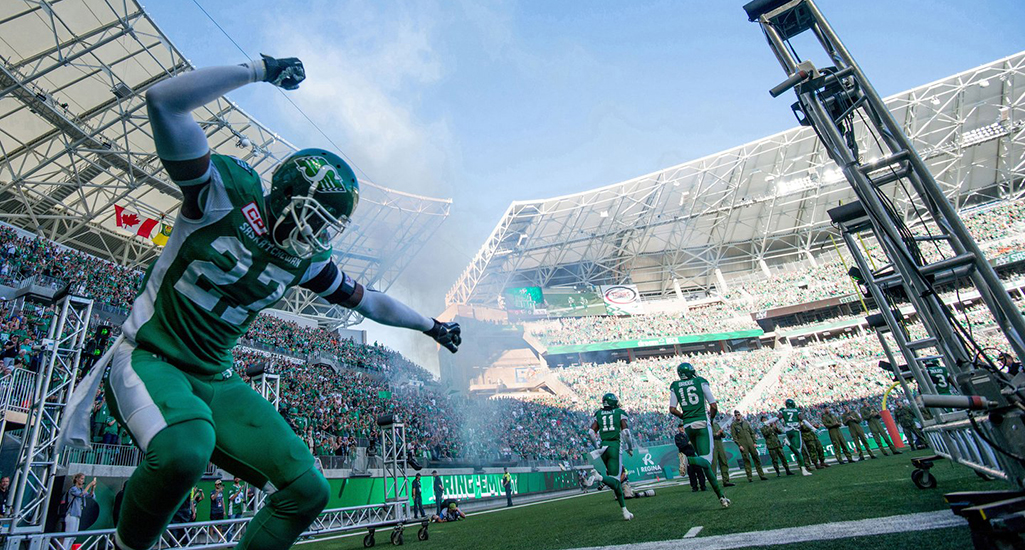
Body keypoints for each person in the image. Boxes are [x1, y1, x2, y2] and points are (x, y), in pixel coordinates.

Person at [75, 55, 463, 550]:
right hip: (152, 356)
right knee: (184, 450)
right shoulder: (222, 196)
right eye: (315, 217)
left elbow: (370, 303)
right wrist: (260, 69)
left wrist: (431, 326)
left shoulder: (306, 260)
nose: (319, 233)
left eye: (327, 226)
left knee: (307, 490)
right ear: (287, 197)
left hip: (217, 376)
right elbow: (163, 103)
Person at [668, 363, 730, 508]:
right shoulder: (700, 381)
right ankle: (687, 460)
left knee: (704, 463)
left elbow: (672, 409)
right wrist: (712, 419)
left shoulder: (675, 385)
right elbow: (713, 405)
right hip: (702, 422)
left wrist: (683, 416)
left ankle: (721, 497)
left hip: (689, 425)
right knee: (707, 461)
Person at [589, 392, 635, 520]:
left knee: (615, 482)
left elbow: (591, 432)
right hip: (615, 447)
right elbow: (625, 432)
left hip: (603, 448)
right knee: (615, 480)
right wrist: (630, 447)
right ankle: (599, 477)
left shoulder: (598, 413)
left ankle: (625, 511)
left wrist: (597, 446)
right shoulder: (619, 412)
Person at [775, 399, 814, 476]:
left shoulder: (784, 412)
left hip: (789, 430)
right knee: (799, 451)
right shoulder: (796, 411)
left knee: (797, 451)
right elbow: (801, 420)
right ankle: (803, 467)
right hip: (795, 431)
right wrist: (813, 428)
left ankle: (803, 467)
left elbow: (779, 419)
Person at [729, 410, 767, 482]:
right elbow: (734, 436)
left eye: (738, 414)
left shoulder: (746, 423)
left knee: (756, 458)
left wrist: (754, 442)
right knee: (746, 460)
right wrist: (739, 445)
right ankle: (749, 477)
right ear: (734, 416)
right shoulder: (733, 425)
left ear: (740, 415)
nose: (737, 416)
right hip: (743, 444)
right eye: (736, 415)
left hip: (750, 443)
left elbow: (752, 433)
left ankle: (762, 475)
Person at [63, 474, 96, 547]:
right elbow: (81, 494)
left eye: (83, 479)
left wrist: (93, 488)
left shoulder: (81, 490)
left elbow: (89, 496)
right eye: (81, 479)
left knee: (73, 537)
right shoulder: (73, 489)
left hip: (77, 514)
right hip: (71, 514)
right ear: (77, 479)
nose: (82, 480)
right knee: (68, 536)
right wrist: (90, 485)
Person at [674, 423, 706, 491]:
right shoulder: (677, 436)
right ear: (678, 429)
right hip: (686, 456)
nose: (682, 428)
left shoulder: (689, 435)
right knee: (691, 472)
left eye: (682, 427)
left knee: (699, 471)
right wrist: (687, 444)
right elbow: (680, 445)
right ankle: (694, 487)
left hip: (694, 455)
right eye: (680, 427)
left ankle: (703, 485)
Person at [710, 416, 735, 488]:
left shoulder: (716, 425)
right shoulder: (706, 426)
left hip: (720, 445)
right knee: (713, 465)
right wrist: (717, 433)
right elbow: (708, 436)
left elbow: (723, 435)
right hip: (712, 446)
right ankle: (714, 483)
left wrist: (721, 432)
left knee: (724, 462)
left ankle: (726, 480)